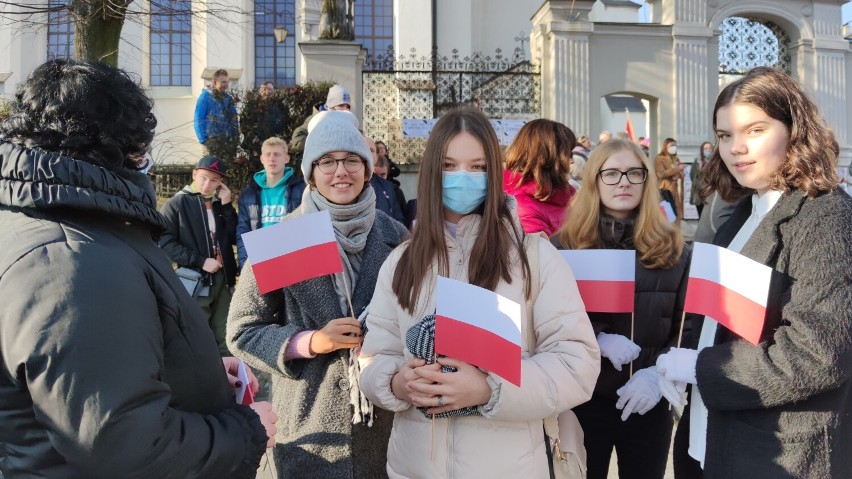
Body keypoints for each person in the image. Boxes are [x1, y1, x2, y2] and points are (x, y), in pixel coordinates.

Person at [0, 59, 276, 477]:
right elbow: (124, 441)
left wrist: (194, 371)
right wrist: (247, 431)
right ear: (121, 152)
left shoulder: (69, 227)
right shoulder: (71, 258)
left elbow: (96, 368)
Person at [358, 107, 600, 478]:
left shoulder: (535, 257)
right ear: (431, 172)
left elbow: (577, 363)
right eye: (450, 165)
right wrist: (394, 381)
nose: (462, 178)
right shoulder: (401, 261)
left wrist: (489, 389)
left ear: (495, 173)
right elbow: (374, 354)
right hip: (414, 467)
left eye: (478, 167)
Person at [657, 67, 852, 478]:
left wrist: (699, 368)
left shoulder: (826, 215)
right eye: (725, 135)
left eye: (755, 130)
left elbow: (816, 354)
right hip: (709, 439)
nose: (736, 148)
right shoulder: (744, 211)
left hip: (778, 450)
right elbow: (717, 320)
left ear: (794, 130)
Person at [227, 110, 409, 478]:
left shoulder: (397, 238)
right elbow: (241, 331)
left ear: (367, 168)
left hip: (385, 426)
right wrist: (310, 341)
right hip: (309, 424)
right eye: (327, 161)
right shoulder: (284, 239)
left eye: (351, 160)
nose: (340, 171)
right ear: (311, 172)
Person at [552, 139, 693, 479]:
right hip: (582, 402)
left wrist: (659, 374)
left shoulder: (675, 250)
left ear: (646, 181)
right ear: (594, 181)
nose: (624, 182)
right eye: (611, 173)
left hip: (647, 401)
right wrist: (598, 338)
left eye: (633, 173)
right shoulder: (564, 246)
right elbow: (548, 321)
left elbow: (688, 326)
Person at [159, 155, 238, 357]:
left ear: (221, 182)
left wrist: (228, 206)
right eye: (203, 177)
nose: (207, 184)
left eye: (214, 180)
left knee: (226, 333)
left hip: (223, 279)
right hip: (195, 280)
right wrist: (201, 261)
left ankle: (229, 381)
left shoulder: (220, 204)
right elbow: (165, 242)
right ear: (194, 174)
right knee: (197, 332)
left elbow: (235, 237)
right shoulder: (176, 204)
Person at [236, 136, 306, 270]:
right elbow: (243, 232)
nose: (272, 158)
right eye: (268, 154)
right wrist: (245, 266)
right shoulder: (249, 194)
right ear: (262, 159)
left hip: (291, 259)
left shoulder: (301, 190)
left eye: (277, 154)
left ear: (286, 158)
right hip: (261, 260)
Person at [503, 118, 577, 236]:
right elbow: (544, 252)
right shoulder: (524, 208)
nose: (572, 161)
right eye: (569, 154)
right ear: (548, 157)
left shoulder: (565, 194)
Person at [289, 84, 351, 154]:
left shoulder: (347, 121)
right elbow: (298, 135)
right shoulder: (317, 119)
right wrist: (317, 144)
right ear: (331, 106)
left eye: (347, 106)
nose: (345, 109)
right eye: (341, 105)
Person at [240, 81, 287, 166]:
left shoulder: (279, 106)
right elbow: (244, 124)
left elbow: (284, 124)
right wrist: (256, 140)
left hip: (274, 145)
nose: (267, 92)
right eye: (264, 89)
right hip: (256, 146)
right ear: (260, 91)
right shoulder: (252, 106)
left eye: (270, 89)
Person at [365, 136, 407, 225]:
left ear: (376, 156)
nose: (366, 154)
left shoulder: (388, 187)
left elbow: (398, 219)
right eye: (364, 149)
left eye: (371, 150)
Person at [194, 68, 239, 146]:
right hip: (212, 142)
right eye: (223, 82)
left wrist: (235, 138)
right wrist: (204, 140)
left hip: (227, 142)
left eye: (227, 82)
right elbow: (199, 119)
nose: (226, 85)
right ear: (215, 82)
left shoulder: (228, 99)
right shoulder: (205, 97)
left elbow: (233, 120)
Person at [655, 137, 685, 223]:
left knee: (677, 216)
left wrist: (678, 174)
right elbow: (661, 174)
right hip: (665, 190)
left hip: (676, 191)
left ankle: (676, 235)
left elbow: (681, 173)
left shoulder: (676, 159)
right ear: (665, 147)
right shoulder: (659, 159)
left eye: (675, 145)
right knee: (667, 217)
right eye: (671, 145)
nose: (674, 147)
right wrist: (677, 170)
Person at [690, 141, 713, 218]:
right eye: (705, 148)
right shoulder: (697, 162)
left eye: (710, 148)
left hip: (712, 194)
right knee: (701, 217)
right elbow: (693, 177)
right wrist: (705, 186)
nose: (708, 150)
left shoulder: (716, 162)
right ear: (702, 150)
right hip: (699, 195)